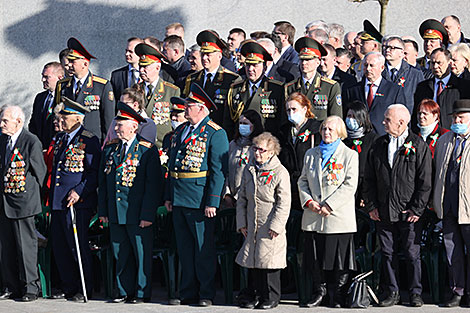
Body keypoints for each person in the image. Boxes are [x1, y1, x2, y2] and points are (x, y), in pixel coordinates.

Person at [164, 83, 229, 307]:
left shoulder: (215, 133)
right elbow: (172, 165)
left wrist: (213, 200)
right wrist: (169, 196)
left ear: (202, 108)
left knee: (203, 249)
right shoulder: (181, 131)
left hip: (200, 199)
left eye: (190, 105)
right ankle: (187, 291)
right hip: (179, 196)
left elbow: (219, 171)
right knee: (185, 248)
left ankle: (206, 292)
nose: (185, 108)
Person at [363, 104, 432, 307]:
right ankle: (392, 291)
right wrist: (371, 206)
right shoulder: (378, 145)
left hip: (408, 212)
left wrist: (417, 209)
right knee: (387, 253)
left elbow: (425, 181)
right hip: (383, 211)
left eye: (387, 119)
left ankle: (415, 292)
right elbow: (369, 179)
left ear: (401, 123)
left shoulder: (418, 146)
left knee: (412, 254)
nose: (383, 122)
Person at [99, 102, 162, 304]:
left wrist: (147, 215)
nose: (116, 128)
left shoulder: (146, 150)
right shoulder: (110, 149)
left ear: (134, 126)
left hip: (137, 212)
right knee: (121, 252)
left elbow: (153, 187)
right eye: (116, 124)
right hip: (117, 211)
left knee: (141, 254)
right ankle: (124, 290)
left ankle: (142, 292)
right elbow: (103, 183)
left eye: (121, 124)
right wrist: (103, 210)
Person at [297, 115, 359, 308]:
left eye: (331, 129)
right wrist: (308, 201)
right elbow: (303, 180)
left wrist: (329, 205)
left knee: (339, 259)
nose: (326, 132)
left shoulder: (349, 155)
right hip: (313, 214)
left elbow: (350, 184)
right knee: (316, 257)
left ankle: (338, 294)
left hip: (337, 216)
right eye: (324, 128)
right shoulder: (311, 154)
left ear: (340, 132)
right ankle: (320, 291)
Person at [49, 97, 101, 301]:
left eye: (65, 116)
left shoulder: (88, 140)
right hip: (59, 200)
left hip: (77, 202)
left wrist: (79, 191)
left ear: (77, 118)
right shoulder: (61, 138)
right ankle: (68, 286)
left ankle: (83, 287)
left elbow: (94, 172)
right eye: (60, 116)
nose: (60, 119)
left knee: (76, 246)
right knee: (61, 246)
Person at [236, 132, 291, 309]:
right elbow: (242, 198)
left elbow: (284, 202)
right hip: (252, 222)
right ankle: (257, 294)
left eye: (261, 150)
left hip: (269, 223)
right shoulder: (249, 168)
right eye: (255, 149)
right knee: (254, 260)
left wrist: (276, 225)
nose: (257, 153)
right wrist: (241, 223)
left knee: (269, 262)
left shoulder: (280, 172)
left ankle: (272, 297)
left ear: (271, 152)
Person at [0, 105, 46, 302]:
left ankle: (30, 288)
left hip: (23, 202)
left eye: (5, 121)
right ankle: (11, 286)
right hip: (4, 202)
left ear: (18, 121)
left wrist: (37, 200)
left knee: (25, 247)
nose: (1, 124)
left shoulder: (30, 141)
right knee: (6, 247)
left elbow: (39, 173)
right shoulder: (3, 140)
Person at [433, 99, 470, 307]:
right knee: (452, 251)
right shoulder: (444, 140)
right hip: (448, 205)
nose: (457, 120)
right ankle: (457, 290)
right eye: (455, 117)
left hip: (468, 206)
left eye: (461, 118)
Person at [55, 37, 115, 141]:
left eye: (73, 61)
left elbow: (108, 120)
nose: (69, 65)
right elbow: (58, 115)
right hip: (69, 141)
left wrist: (106, 145)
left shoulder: (102, 86)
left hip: (93, 141)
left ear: (85, 64)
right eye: (69, 61)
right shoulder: (62, 85)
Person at [225, 41, 285, 139]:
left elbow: (280, 123)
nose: (250, 69)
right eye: (248, 65)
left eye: (255, 65)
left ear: (264, 67)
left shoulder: (276, 89)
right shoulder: (236, 88)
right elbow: (228, 122)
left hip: (265, 144)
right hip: (240, 143)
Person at [183, 30, 240, 127]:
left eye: (208, 54)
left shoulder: (231, 79)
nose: (204, 58)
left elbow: (233, 114)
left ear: (219, 56)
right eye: (203, 54)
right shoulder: (192, 78)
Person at [343, 52, 406, 135]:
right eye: (365, 65)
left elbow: (400, 116)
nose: (368, 69)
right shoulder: (352, 90)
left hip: (383, 137)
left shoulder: (394, 90)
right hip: (359, 139)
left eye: (372, 66)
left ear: (382, 67)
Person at [278, 92, 321, 211]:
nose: (291, 113)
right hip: (289, 183)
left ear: (304, 109)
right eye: (288, 110)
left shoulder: (316, 129)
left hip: (308, 183)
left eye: (294, 109)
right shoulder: (284, 131)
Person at [285, 37, 343, 122]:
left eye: (308, 59)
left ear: (318, 62)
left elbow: (335, 119)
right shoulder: (290, 87)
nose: (304, 63)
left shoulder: (330, 87)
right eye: (302, 59)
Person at [134, 42, 180, 148]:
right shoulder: (134, 90)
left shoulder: (172, 91)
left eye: (146, 66)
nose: (141, 70)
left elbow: (176, 122)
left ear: (157, 67)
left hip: (160, 146)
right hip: (138, 145)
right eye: (140, 66)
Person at [413, 48, 470, 131]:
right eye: (432, 63)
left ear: (449, 63)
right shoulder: (423, 86)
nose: (435, 66)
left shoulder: (463, 87)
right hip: (429, 135)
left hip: (453, 133)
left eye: (439, 63)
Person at [223, 110, 263, 209]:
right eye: (240, 123)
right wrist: (227, 194)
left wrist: (238, 197)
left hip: (247, 200)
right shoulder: (233, 144)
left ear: (254, 125)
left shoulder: (258, 147)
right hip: (229, 200)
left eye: (245, 123)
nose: (242, 126)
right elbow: (226, 171)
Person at [343, 101, 378, 209]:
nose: (351, 120)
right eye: (349, 116)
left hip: (363, 188)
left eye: (355, 117)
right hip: (344, 187)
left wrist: (366, 194)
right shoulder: (342, 139)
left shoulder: (372, 139)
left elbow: (373, 169)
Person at [381, 36, 425, 112]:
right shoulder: (379, 70)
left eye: (392, 48)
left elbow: (421, 100)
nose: (388, 50)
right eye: (386, 47)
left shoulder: (414, 73)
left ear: (402, 52)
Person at [29, 61, 64, 149]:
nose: (43, 80)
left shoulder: (65, 97)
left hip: (57, 147)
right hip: (40, 148)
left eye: (46, 77)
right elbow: (33, 124)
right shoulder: (40, 97)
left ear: (60, 78)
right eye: (42, 76)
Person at [110, 37, 143, 105]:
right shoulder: (116, 75)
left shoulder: (148, 73)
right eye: (126, 51)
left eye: (130, 51)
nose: (127, 54)